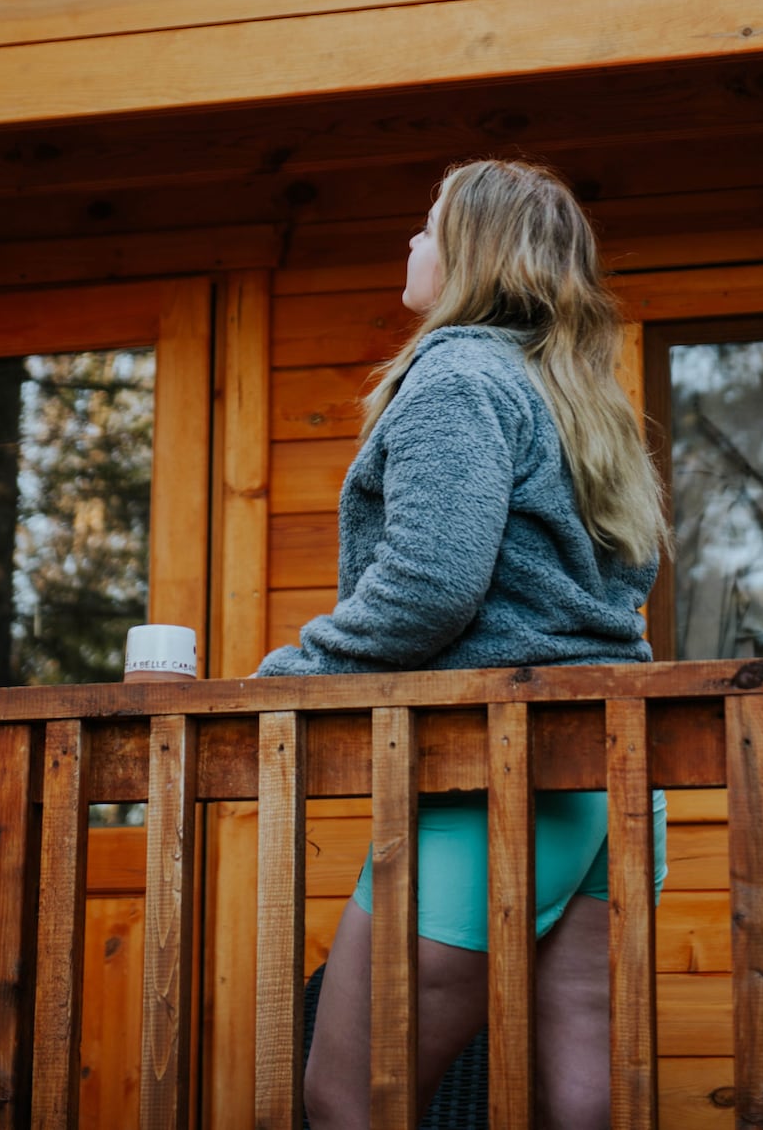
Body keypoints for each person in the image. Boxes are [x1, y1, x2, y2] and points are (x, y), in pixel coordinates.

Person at [256, 158, 669, 1130]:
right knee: (583, 1105)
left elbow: (430, 582)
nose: (411, 244)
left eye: (428, 227)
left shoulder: (458, 375)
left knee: (347, 1098)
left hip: (501, 775)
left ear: (472, 254)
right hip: (610, 777)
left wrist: (291, 672)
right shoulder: (581, 397)